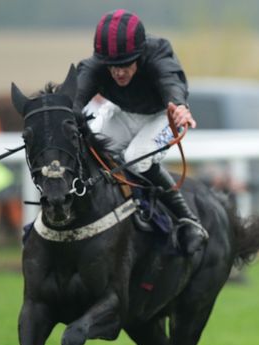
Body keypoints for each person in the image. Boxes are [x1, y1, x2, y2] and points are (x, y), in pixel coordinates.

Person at [73, 9, 207, 255]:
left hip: (162, 116)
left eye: (125, 64)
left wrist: (179, 107)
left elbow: (171, 83)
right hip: (124, 114)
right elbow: (73, 102)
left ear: (139, 55)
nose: (118, 72)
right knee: (99, 155)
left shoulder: (157, 52)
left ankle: (189, 221)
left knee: (137, 157)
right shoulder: (94, 67)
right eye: (112, 67)